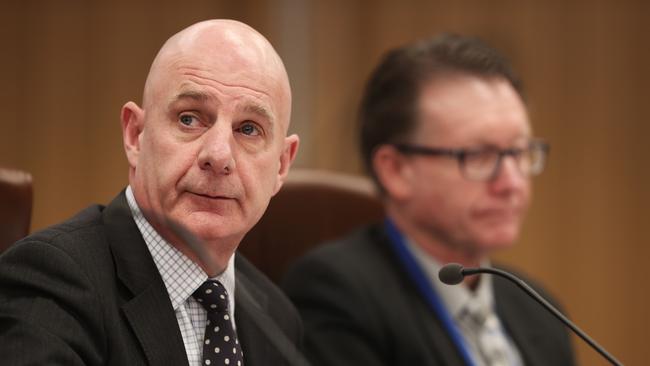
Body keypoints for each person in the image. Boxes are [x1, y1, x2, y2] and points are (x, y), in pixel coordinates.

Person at [0, 19, 302, 366]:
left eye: (249, 129)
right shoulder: (52, 280)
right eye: (190, 119)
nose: (219, 156)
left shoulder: (276, 317)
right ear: (135, 135)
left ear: (281, 164)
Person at [283, 34, 576, 365]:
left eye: (520, 151)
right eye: (478, 155)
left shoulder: (538, 310)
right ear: (395, 170)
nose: (511, 182)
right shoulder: (337, 295)